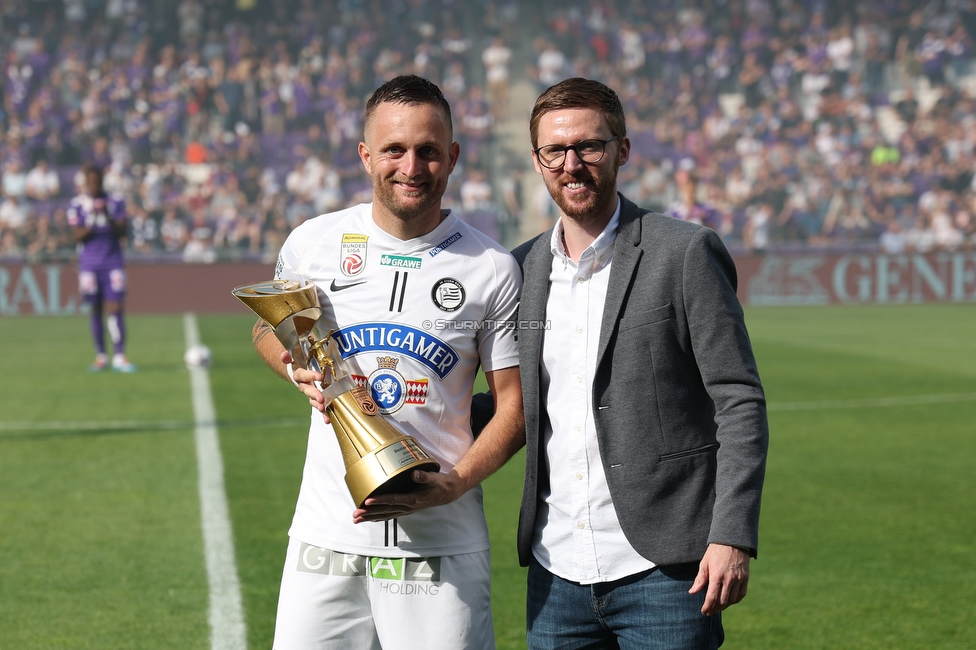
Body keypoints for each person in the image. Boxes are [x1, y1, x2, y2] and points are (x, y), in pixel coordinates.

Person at [250, 75, 524, 650]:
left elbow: (515, 408)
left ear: (451, 157)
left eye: (428, 151)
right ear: (366, 155)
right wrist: (293, 365)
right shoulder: (313, 243)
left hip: (440, 544)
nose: (412, 166)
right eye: (395, 149)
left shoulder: (492, 267)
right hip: (326, 536)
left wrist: (456, 484)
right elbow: (266, 330)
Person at [512, 77, 768, 649]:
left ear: (622, 150)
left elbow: (739, 399)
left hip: (668, 573)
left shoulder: (684, 252)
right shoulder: (521, 269)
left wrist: (733, 535)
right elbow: (518, 404)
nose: (572, 163)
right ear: (537, 160)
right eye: (555, 150)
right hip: (556, 573)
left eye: (589, 146)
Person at [66, 163, 136, 373]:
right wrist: (93, 221)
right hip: (89, 265)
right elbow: (76, 236)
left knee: (115, 307)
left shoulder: (115, 202)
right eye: (91, 182)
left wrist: (107, 215)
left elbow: (123, 232)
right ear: (86, 183)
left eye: (97, 181)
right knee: (95, 309)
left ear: (102, 181)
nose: (94, 185)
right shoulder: (77, 204)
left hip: (112, 262)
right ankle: (101, 356)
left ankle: (120, 355)